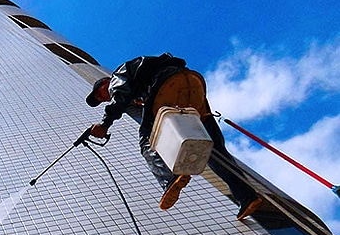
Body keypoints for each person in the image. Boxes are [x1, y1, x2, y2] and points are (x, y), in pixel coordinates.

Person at [85, 53, 262, 219]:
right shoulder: (141, 76)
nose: (104, 97)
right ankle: (247, 197)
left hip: (165, 85)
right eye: (102, 99)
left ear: (106, 82)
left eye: (101, 93)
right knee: (212, 150)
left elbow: (120, 96)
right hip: (191, 84)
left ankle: (170, 178)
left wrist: (104, 124)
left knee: (147, 138)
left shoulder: (118, 76)